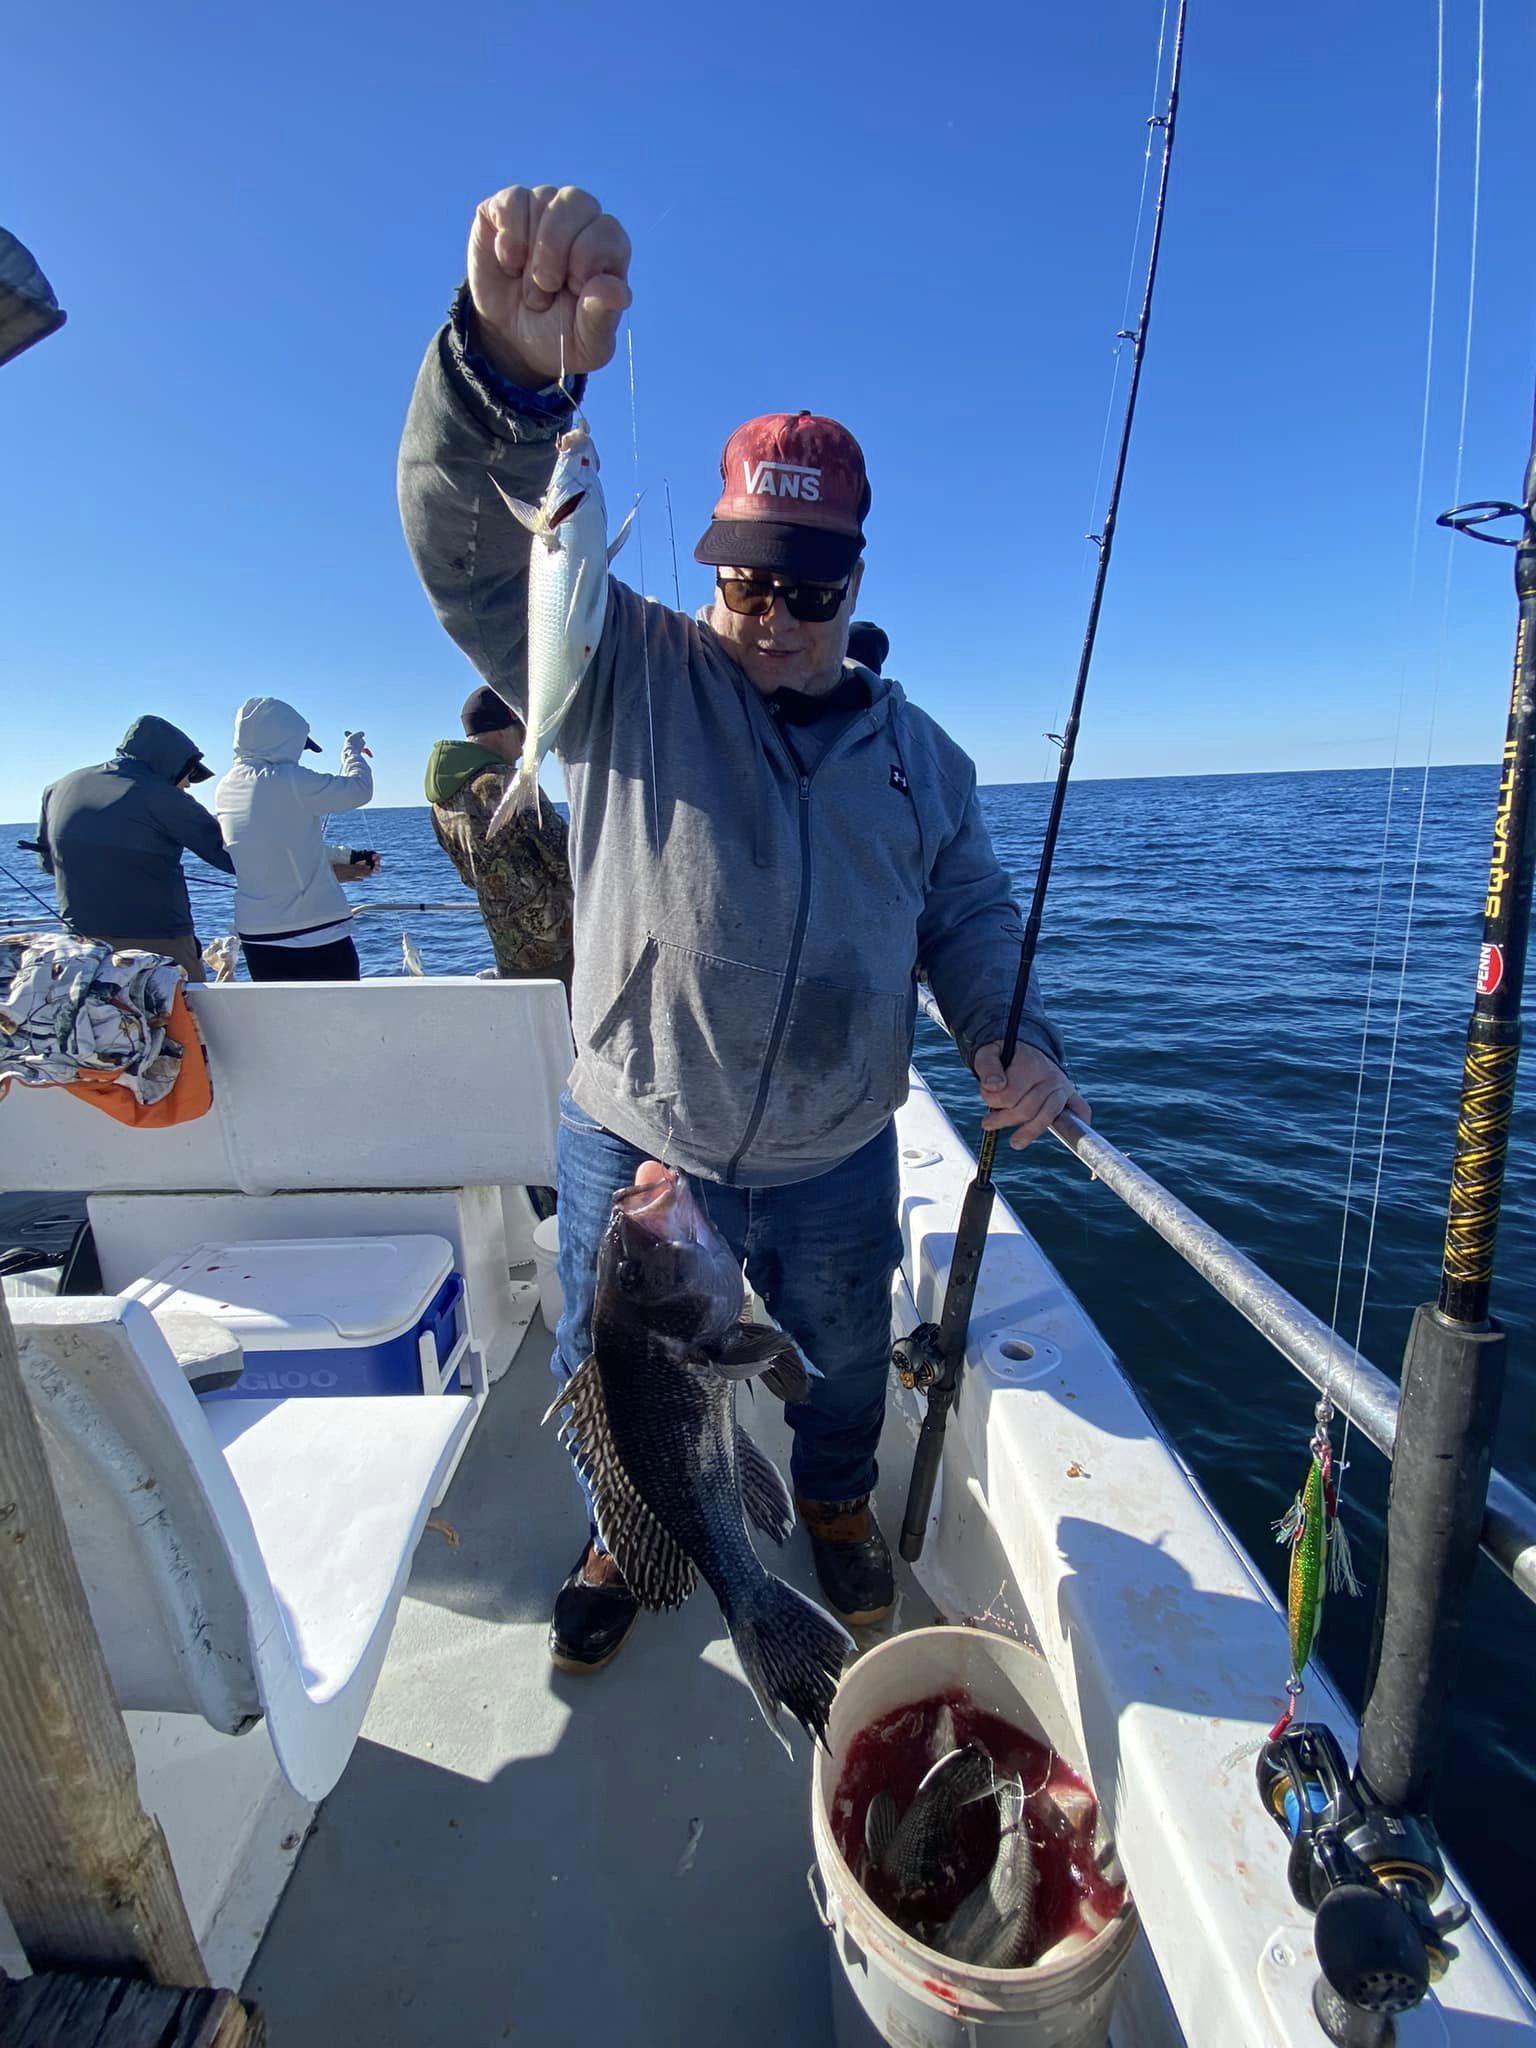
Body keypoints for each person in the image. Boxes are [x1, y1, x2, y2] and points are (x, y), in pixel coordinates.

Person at [398, 182, 1089, 1676]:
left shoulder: (925, 761)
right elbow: (468, 549)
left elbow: (969, 912)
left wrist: (1007, 1031)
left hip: (835, 1149)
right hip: (637, 1131)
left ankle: (831, 1500)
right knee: (604, 1367)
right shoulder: (624, 672)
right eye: (745, 577)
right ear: (710, 564)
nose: (771, 614)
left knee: (839, 1360)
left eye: (808, 587)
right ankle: (626, 1522)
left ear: (856, 582)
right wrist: (504, 374)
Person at [36, 714, 233, 981]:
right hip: (159, 945)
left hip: (82, 947)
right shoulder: (163, 796)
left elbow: (47, 863)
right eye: (189, 775)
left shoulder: (58, 788)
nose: (188, 784)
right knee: (182, 1008)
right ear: (170, 764)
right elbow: (230, 857)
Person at [214, 698, 376, 983]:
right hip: (315, 932)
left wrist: (344, 857)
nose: (299, 754)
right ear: (283, 740)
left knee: (280, 1011)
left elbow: (278, 845)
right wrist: (351, 753)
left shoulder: (226, 787)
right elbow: (359, 789)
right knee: (340, 1010)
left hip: (257, 937)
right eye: (299, 746)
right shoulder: (288, 779)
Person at [425, 684, 575, 989]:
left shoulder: (441, 803)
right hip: (561, 943)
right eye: (521, 730)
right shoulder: (510, 784)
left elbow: (469, 877)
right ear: (501, 731)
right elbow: (568, 860)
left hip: (508, 948)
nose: (524, 743)